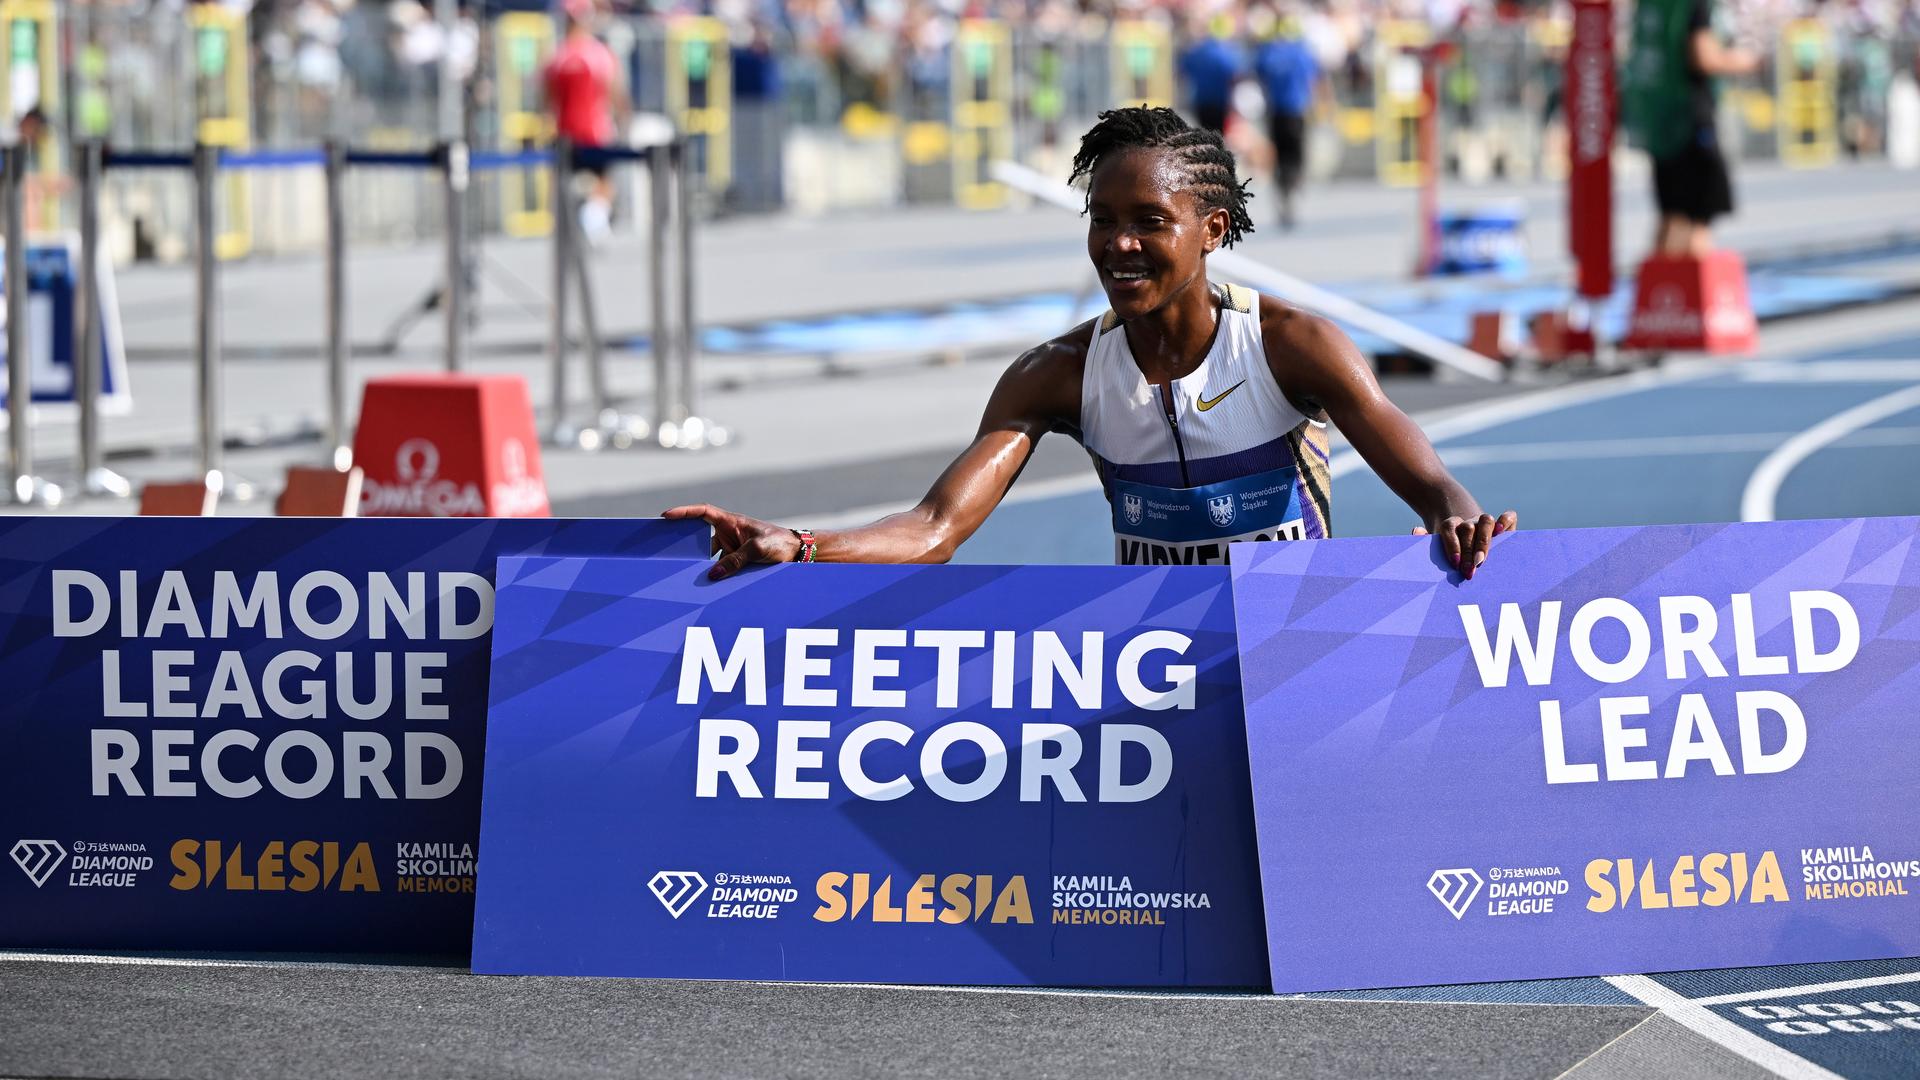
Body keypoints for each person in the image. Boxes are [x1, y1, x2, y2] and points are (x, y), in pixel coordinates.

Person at [668, 107, 1516, 578]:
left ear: (1211, 229)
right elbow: (933, 528)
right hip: (1153, 667)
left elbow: (1435, 487)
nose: (1120, 244)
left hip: (1287, 651)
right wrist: (803, 546)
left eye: (1150, 222)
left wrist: (1461, 524)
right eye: (1102, 221)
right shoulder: (1056, 375)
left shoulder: (1293, 345)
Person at [1624, 0, 1760, 257]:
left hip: (1659, 117)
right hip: (1690, 116)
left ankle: (1659, 291)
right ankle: (1692, 293)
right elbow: (1703, 57)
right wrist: (1746, 61)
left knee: (1671, 215)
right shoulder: (1694, 4)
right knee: (1698, 219)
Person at [542, 0, 625, 244]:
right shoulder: (598, 53)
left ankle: (572, 222)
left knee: (564, 178)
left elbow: (546, 99)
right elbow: (615, 92)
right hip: (596, 130)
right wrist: (623, 120)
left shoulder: (556, 56)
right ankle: (593, 219)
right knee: (604, 181)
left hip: (565, 131)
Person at [1252, 16, 1324, 229]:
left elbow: (1259, 77)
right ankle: (1293, 184)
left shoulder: (1268, 52)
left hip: (1276, 112)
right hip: (1297, 111)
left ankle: (1283, 189)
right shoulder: (1302, 53)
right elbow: (1313, 80)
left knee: (1280, 155)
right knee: (1297, 154)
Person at [1178, 18, 1243, 134]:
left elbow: (1183, 69)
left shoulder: (1197, 51)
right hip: (1219, 102)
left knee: (1205, 136)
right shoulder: (1225, 53)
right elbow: (1234, 76)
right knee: (1218, 138)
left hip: (1201, 101)